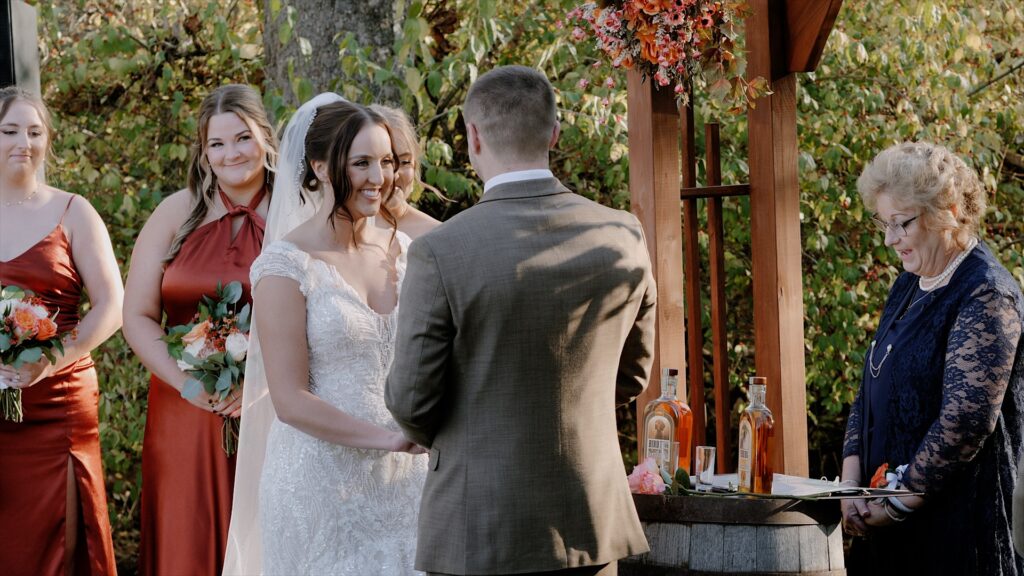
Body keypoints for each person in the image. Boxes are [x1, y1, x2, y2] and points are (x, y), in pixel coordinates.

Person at [385, 65, 656, 576]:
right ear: (555, 133)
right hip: (590, 522)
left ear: (473, 137)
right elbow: (633, 376)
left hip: (479, 524)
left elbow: (411, 401)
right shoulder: (623, 234)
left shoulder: (440, 251)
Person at [243, 99, 428, 574]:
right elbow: (289, 400)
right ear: (321, 168)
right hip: (320, 486)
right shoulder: (284, 266)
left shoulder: (406, 252)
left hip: (408, 482)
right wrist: (388, 438)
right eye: (361, 162)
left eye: (387, 161)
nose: (379, 177)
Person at [839, 142, 1024, 575]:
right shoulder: (908, 283)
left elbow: (966, 420)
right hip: (888, 531)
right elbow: (869, 388)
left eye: (900, 224)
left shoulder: (986, 293)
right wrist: (848, 484)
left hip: (956, 537)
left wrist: (899, 502)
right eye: (883, 224)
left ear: (948, 211)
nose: (890, 240)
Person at [122, 84, 277, 575]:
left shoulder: (298, 213)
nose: (230, 153)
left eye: (242, 138)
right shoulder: (176, 211)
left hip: (272, 408)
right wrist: (187, 384)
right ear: (204, 153)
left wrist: (261, 385)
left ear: (266, 139)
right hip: (181, 406)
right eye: (217, 144)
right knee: (184, 538)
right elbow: (137, 316)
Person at [0, 87, 124, 576]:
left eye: (35, 132)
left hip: (59, 404)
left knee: (65, 541)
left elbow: (112, 306)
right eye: (9, 130)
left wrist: (52, 358)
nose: (23, 143)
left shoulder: (75, 211)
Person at [370, 104, 441, 238]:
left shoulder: (436, 235)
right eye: (385, 162)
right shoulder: (333, 230)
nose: (395, 175)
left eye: (405, 162)